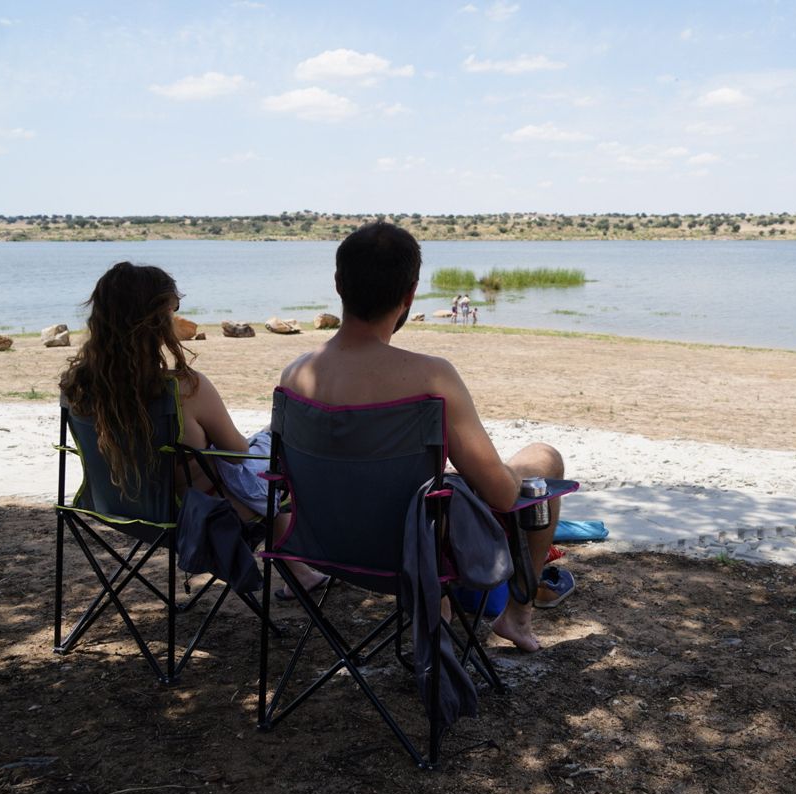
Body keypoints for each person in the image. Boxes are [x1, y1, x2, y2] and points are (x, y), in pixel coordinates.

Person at [279, 223, 565, 652]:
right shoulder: (432, 376)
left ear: (338, 284)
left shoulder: (295, 376)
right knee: (544, 459)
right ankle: (517, 616)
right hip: (413, 552)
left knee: (430, 484)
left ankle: (443, 608)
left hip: (325, 546)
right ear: (410, 294)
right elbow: (504, 496)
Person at [59, 262, 327, 595]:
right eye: (174, 311)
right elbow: (240, 454)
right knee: (276, 443)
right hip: (198, 515)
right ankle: (304, 566)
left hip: (118, 508)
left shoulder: (77, 387)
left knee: (242, 457)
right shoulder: (186, 389)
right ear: (155, 320)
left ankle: (301, 572)